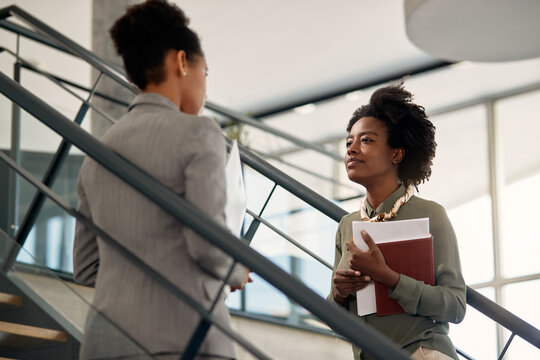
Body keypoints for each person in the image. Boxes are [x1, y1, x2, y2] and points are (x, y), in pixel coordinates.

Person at [73, 1, 250, 359]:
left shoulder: (96, 152)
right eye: (205, 71)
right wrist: (236, 270)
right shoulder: (198, 133)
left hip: (105, 341)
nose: (204, 85)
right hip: (184, 338)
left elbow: (86, 268)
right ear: (181, 62)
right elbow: (208, 246)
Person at [327, 81, 466, 360]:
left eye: (366, 140)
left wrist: (388, 277)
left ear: (396, 153)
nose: (352, 149)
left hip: (422, 352)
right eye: (349, 142)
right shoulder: (346, 226)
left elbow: (455, 306)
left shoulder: (431, 214)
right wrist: (339, 293)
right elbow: (335, 320)